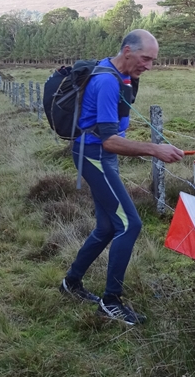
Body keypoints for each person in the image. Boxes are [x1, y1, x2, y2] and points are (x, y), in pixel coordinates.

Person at [59, 29, 184, 325]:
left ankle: (71, 283)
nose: (149, 66)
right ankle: (111, 302)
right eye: (145, 58)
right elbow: (109, 141)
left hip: (101, 157)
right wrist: (155, 149)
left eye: (153, 60)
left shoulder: (122, 75)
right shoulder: (106, 81)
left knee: (106, 227)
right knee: (129, 225)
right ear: (127, 51)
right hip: (94, 156)